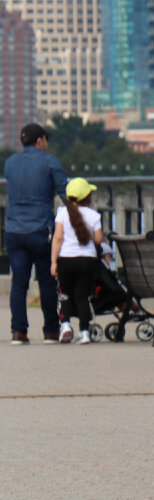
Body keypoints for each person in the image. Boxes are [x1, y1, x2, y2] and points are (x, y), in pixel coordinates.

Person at [4, 123, 68, 345]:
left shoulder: (10, 163)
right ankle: (51, 331)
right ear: (40, 140)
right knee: (47, 282)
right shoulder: (50, 161)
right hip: (41, 230)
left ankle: (18, 331)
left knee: (18, 283)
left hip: (13, 230)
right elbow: (66, 194)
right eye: (46, 139)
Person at [50, 178, 103, 344]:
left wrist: (54, 262)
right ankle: (84, 332)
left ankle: (65, 326)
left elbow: (58, 238)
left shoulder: (62, 212)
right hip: (87, 261)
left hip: (66, 259)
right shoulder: (94, 215)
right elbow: (98, 239)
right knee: (82, 296)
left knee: (65, 294)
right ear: (87, 197)